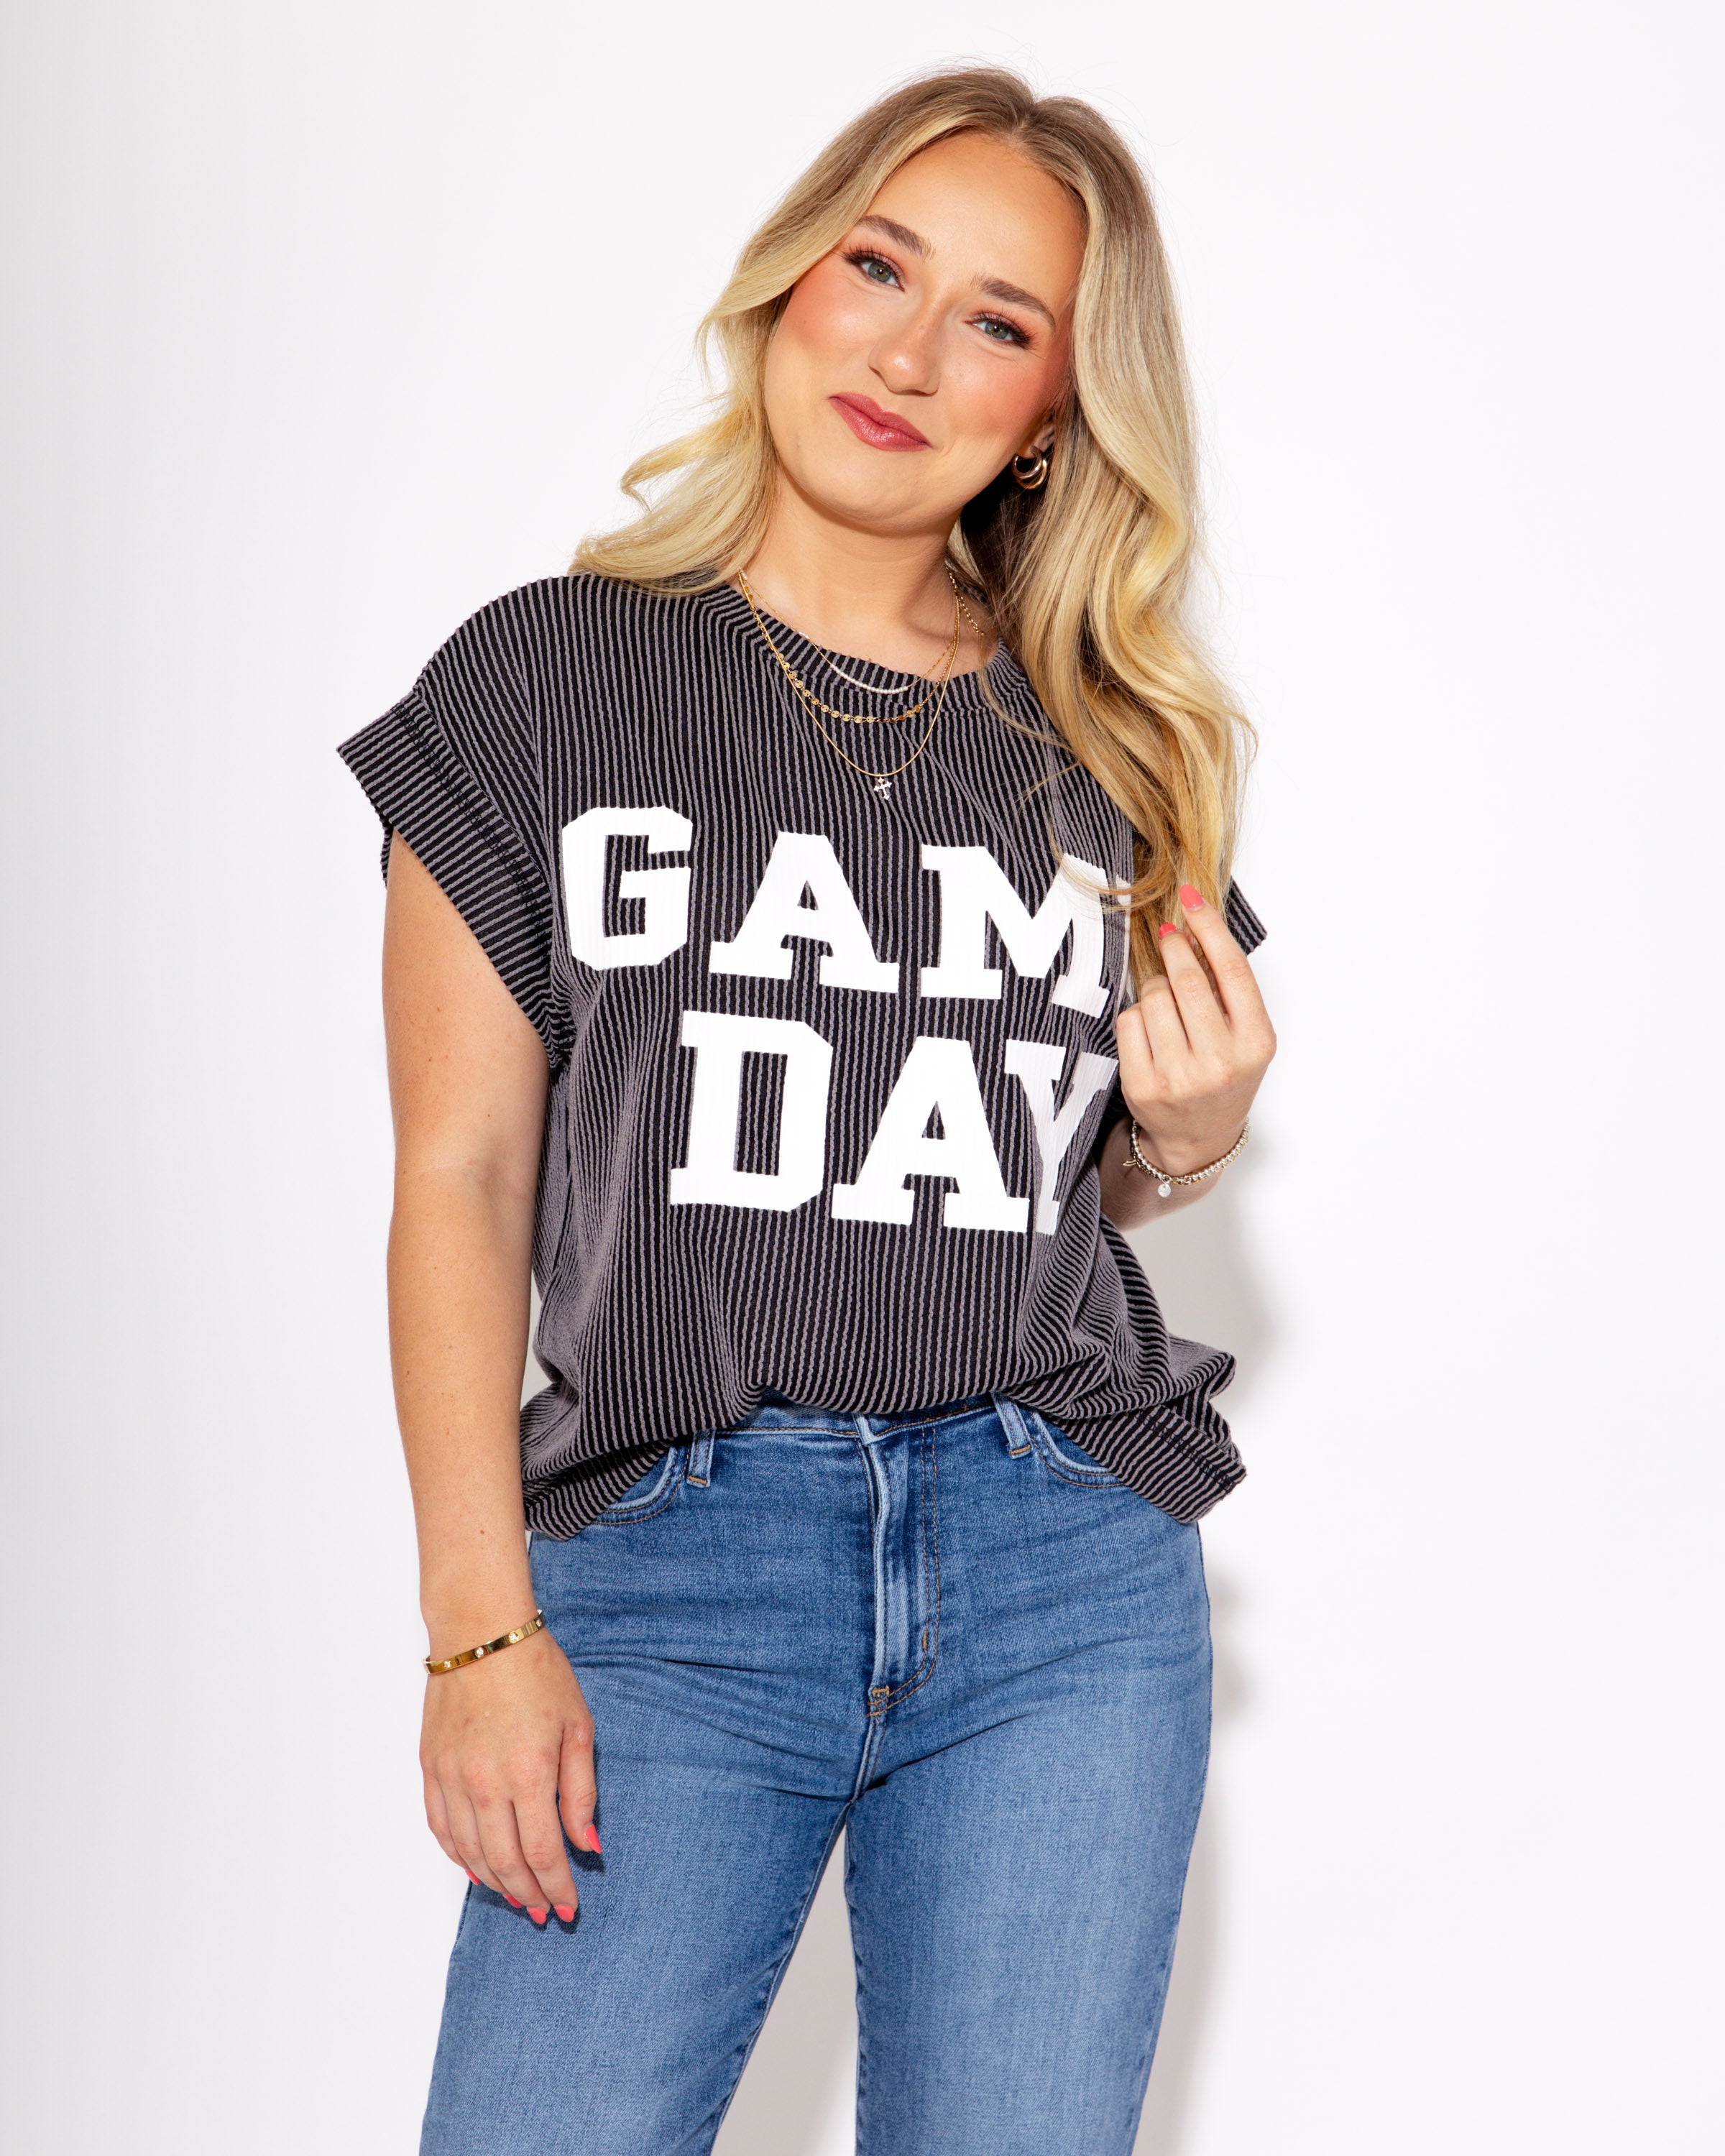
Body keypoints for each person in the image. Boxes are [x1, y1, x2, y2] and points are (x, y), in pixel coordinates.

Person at [339, 65, 1276, 2156]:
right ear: (788, 283)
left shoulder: (1111, 745)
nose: (910, 354)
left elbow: (1038, 1172)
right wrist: (476, 1630)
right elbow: (461, 1177)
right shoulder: (545, 680)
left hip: (1059, 1571)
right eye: (879, 268)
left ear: (1056, 412)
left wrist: (1188, 1142)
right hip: (675, 1562)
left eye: (999, 322)